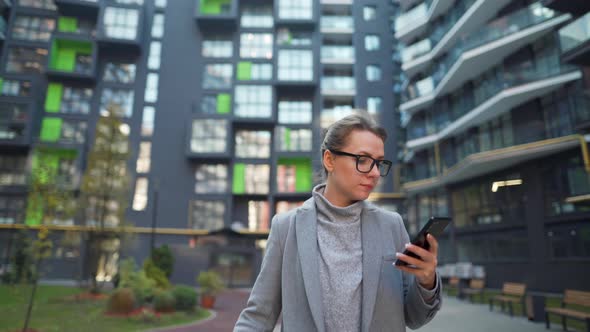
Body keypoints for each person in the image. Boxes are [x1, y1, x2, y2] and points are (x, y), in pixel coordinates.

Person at [234, 112, 442, 332]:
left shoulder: (392, 225)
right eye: (362, 160)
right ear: (329, 160)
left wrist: (427, 280)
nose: (374, 173)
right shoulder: (286, 228)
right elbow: (258, 317)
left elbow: (414, 318)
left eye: (379, 163)